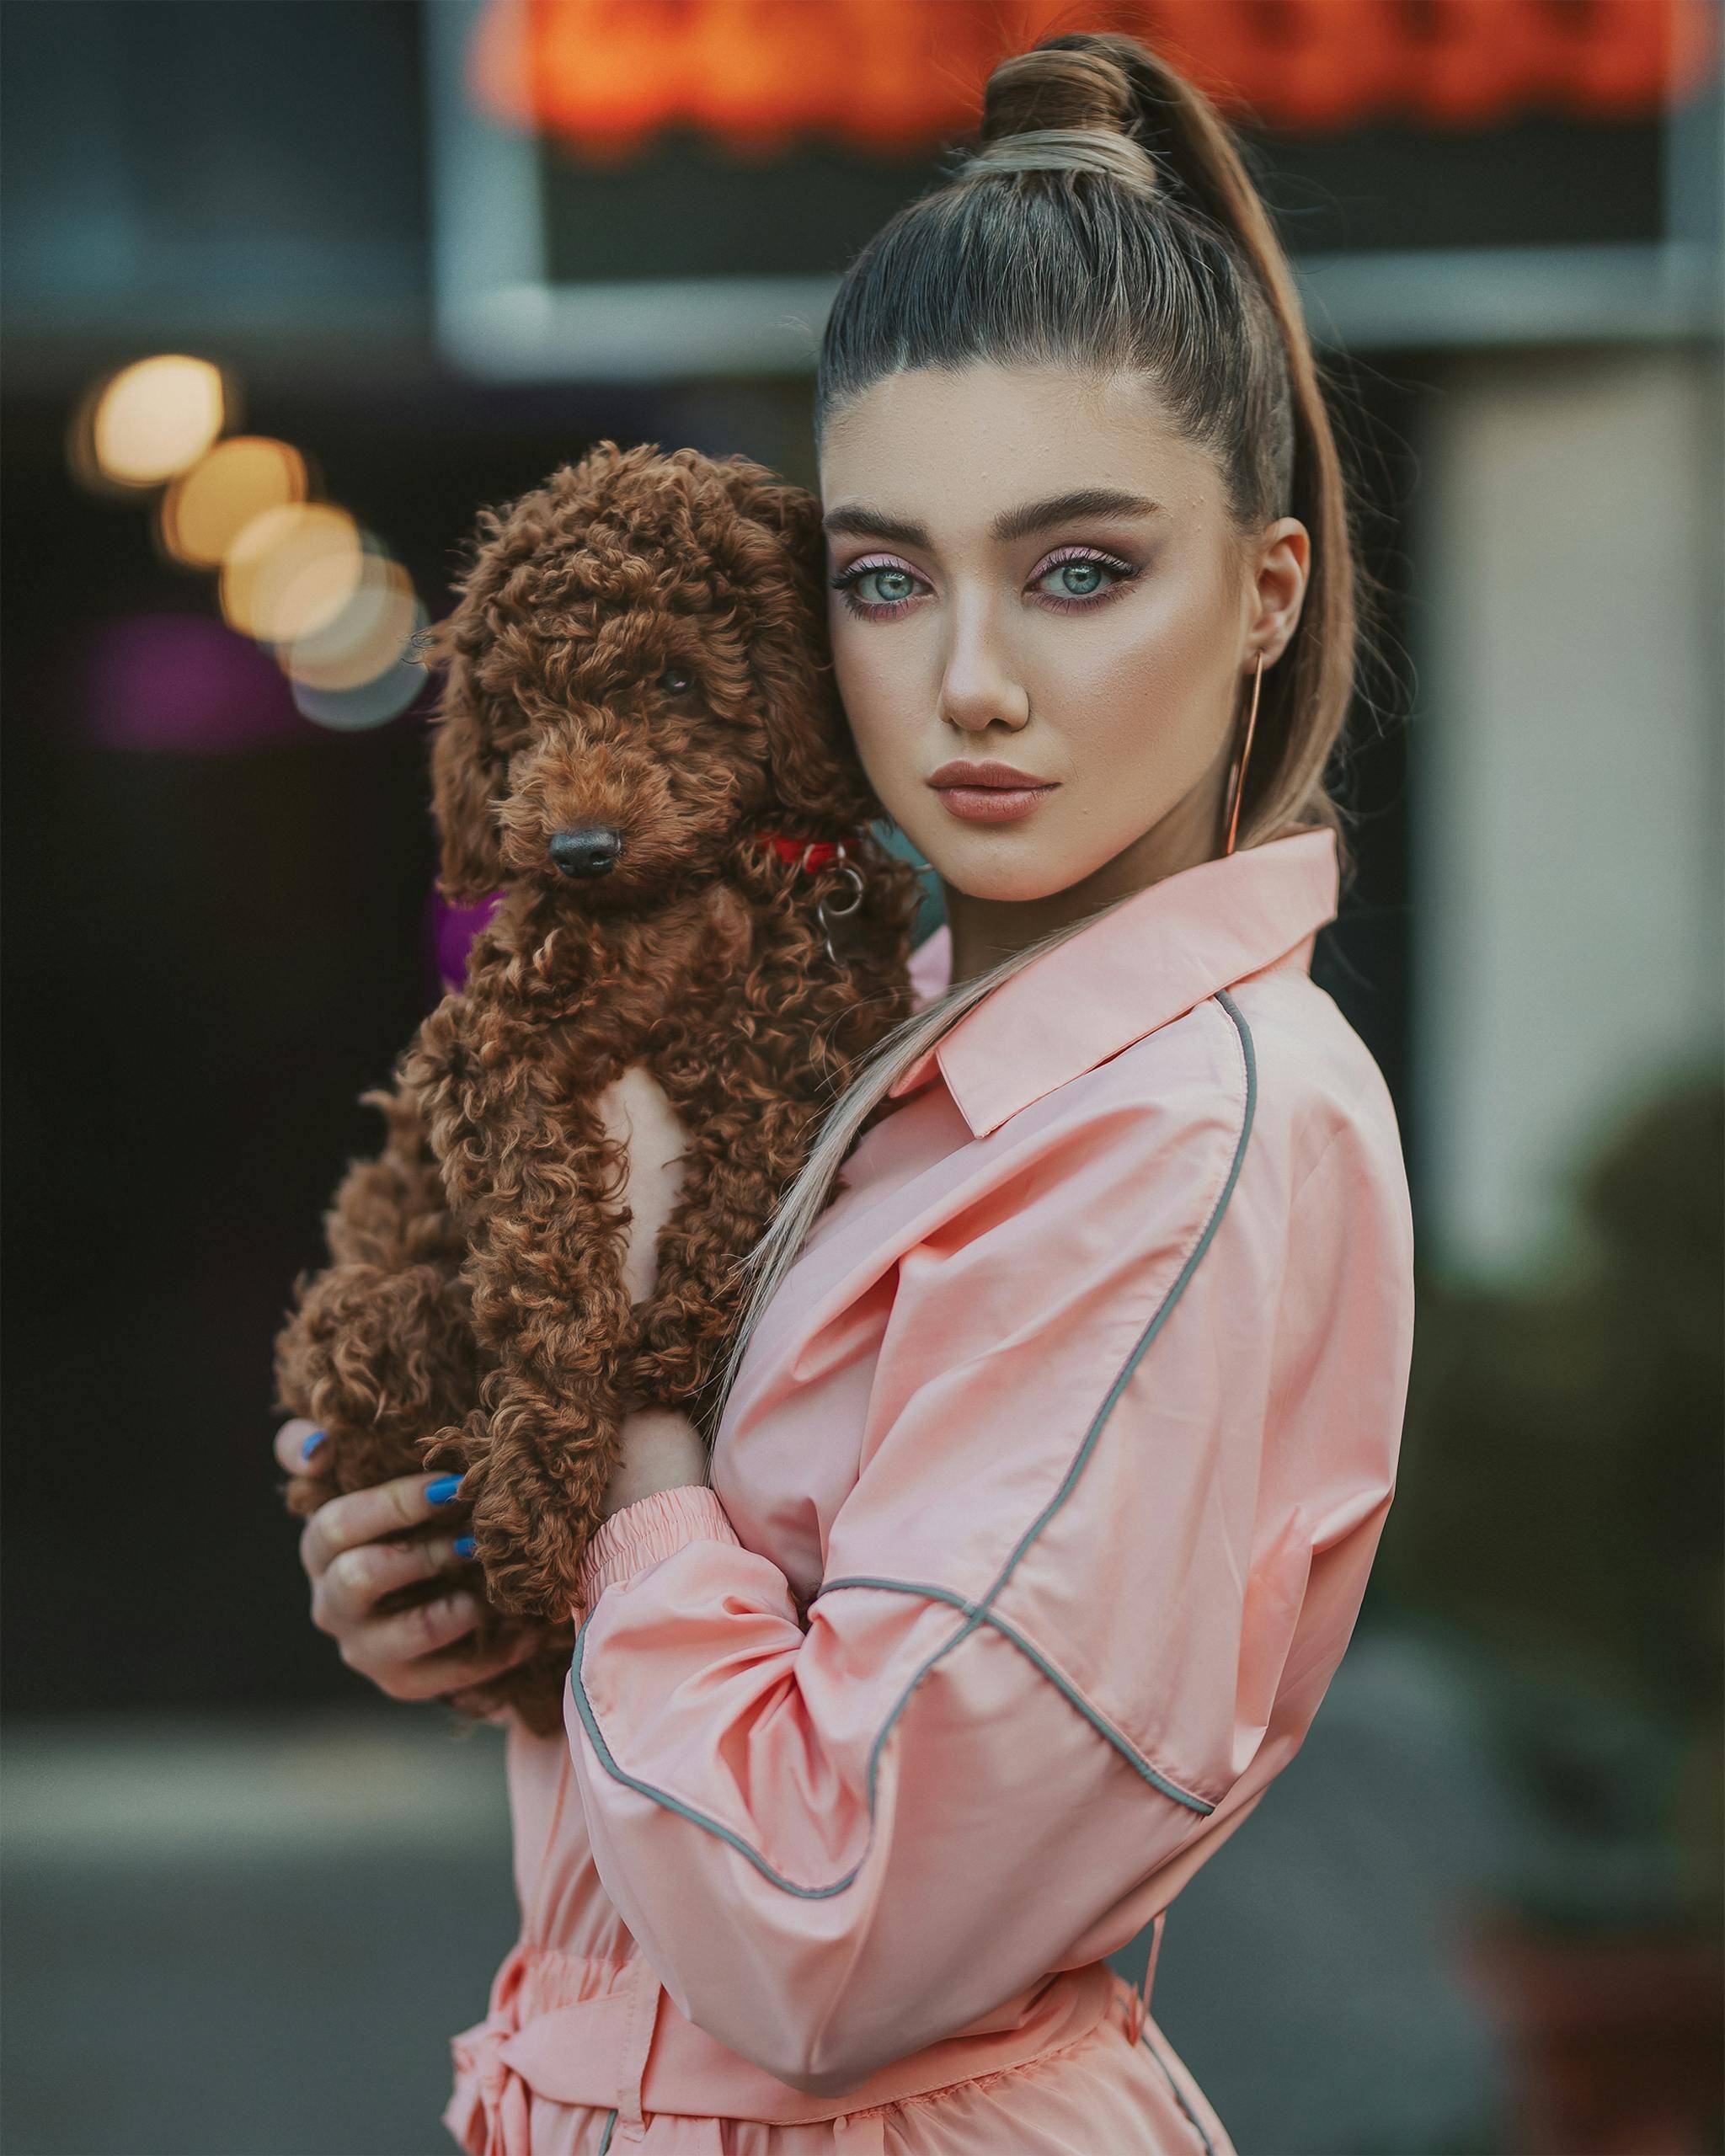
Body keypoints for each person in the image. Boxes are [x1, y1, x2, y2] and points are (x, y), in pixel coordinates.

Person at [276, 29, 1415, 2154]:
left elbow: (828, 1922)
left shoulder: (1183, 1124)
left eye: (1081, 568)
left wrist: (617, 1406)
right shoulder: (858, 1040)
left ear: (1264, 588)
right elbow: (707, 1689)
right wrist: (465, 1579)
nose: (969, 676)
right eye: (886, 577)